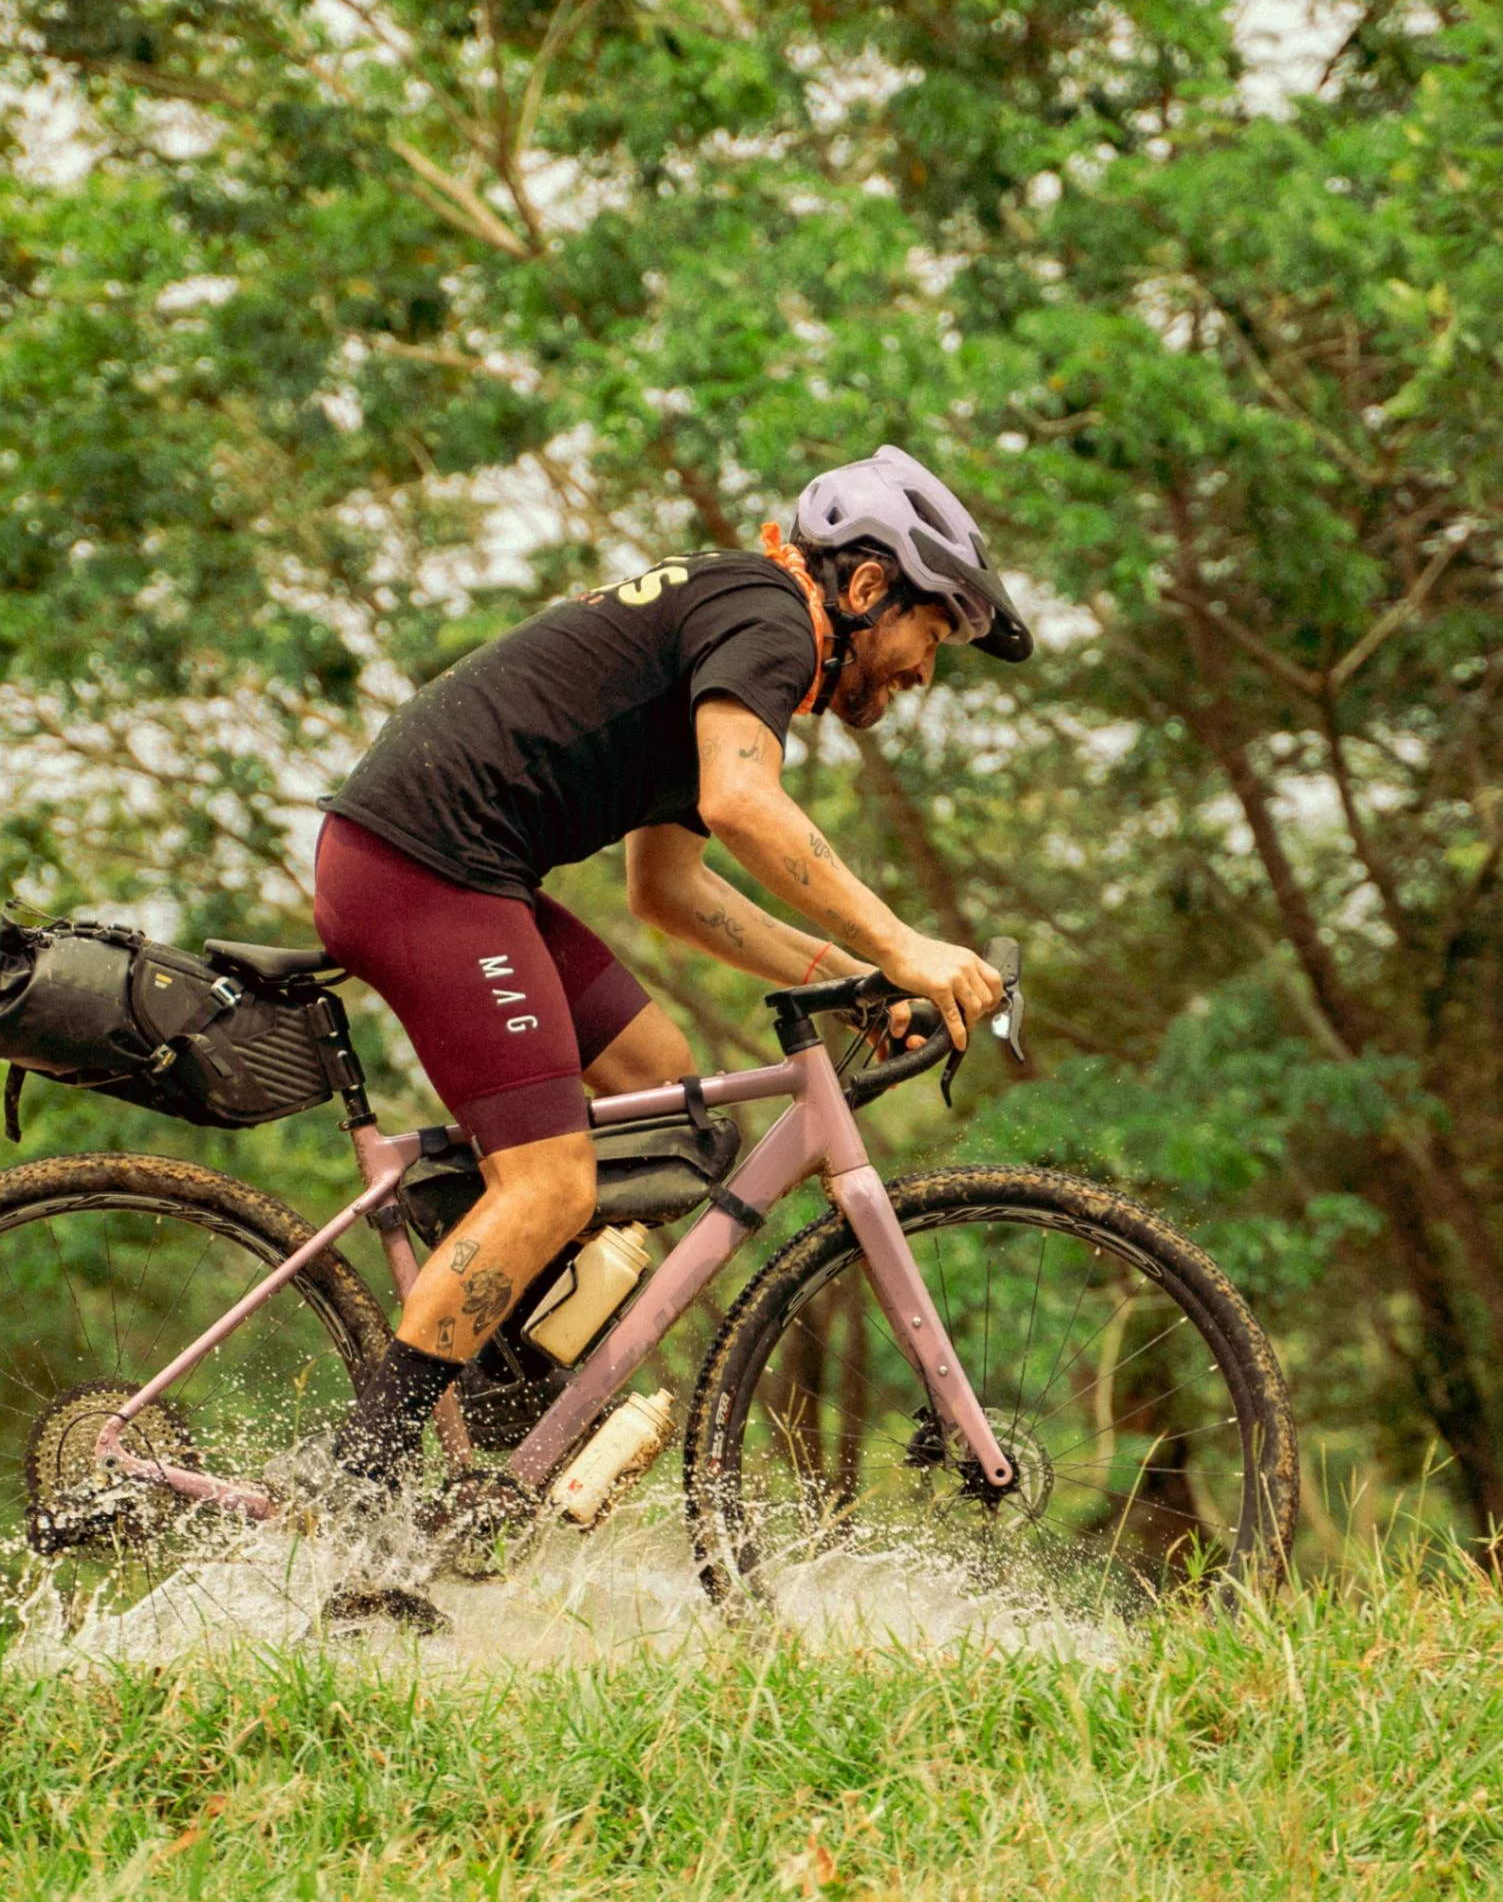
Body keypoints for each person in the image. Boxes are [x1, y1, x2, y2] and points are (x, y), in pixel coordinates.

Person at [307, 443, 1027, 1561]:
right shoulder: (772, 621)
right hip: (423, 867)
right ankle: (361, 1494)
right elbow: (743, 804)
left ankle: (488, 1382)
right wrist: (906, 944)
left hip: (455, 868)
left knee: (659, 1084)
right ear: (869, 587)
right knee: (549, 1181)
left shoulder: (732, 630)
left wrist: (845, 980)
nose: (922, 673)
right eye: (929, 640)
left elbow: (670, 888)